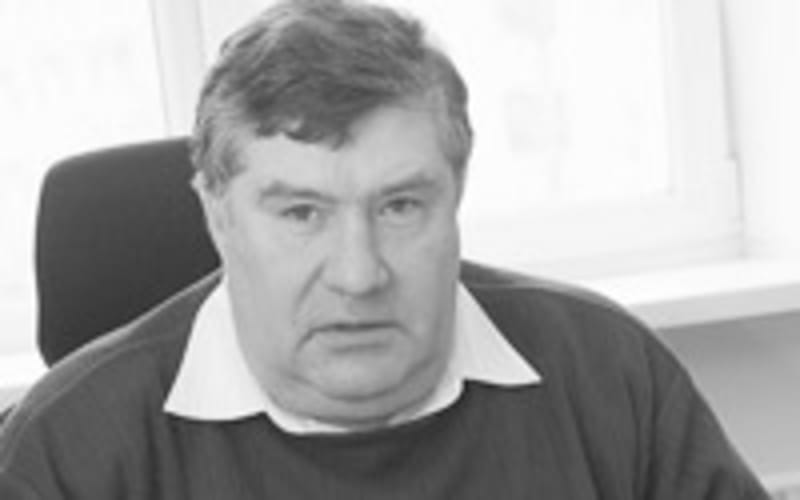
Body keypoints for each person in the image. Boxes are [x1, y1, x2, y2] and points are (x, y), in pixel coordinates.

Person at [0, 0, 769, 498]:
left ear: (456, 194)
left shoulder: (610, 377)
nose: (359, 274)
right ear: (217, 216)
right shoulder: (73, 452)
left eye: (400, 207)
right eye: (301, 213)